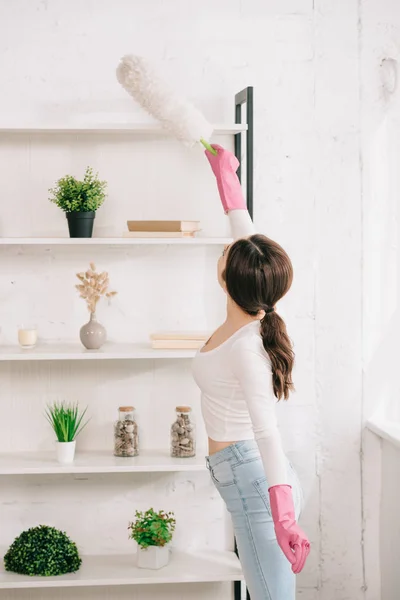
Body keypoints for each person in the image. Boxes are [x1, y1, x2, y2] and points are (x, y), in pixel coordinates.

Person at [192, 145, 310, 599]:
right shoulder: (256, 291)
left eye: (228, 251)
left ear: (229, 277)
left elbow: (268, 433)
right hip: (248, 477)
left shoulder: (247, 350)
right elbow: (243, 225)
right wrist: (223, 171)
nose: (227, 245)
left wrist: (283, 517)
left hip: (258, 487)